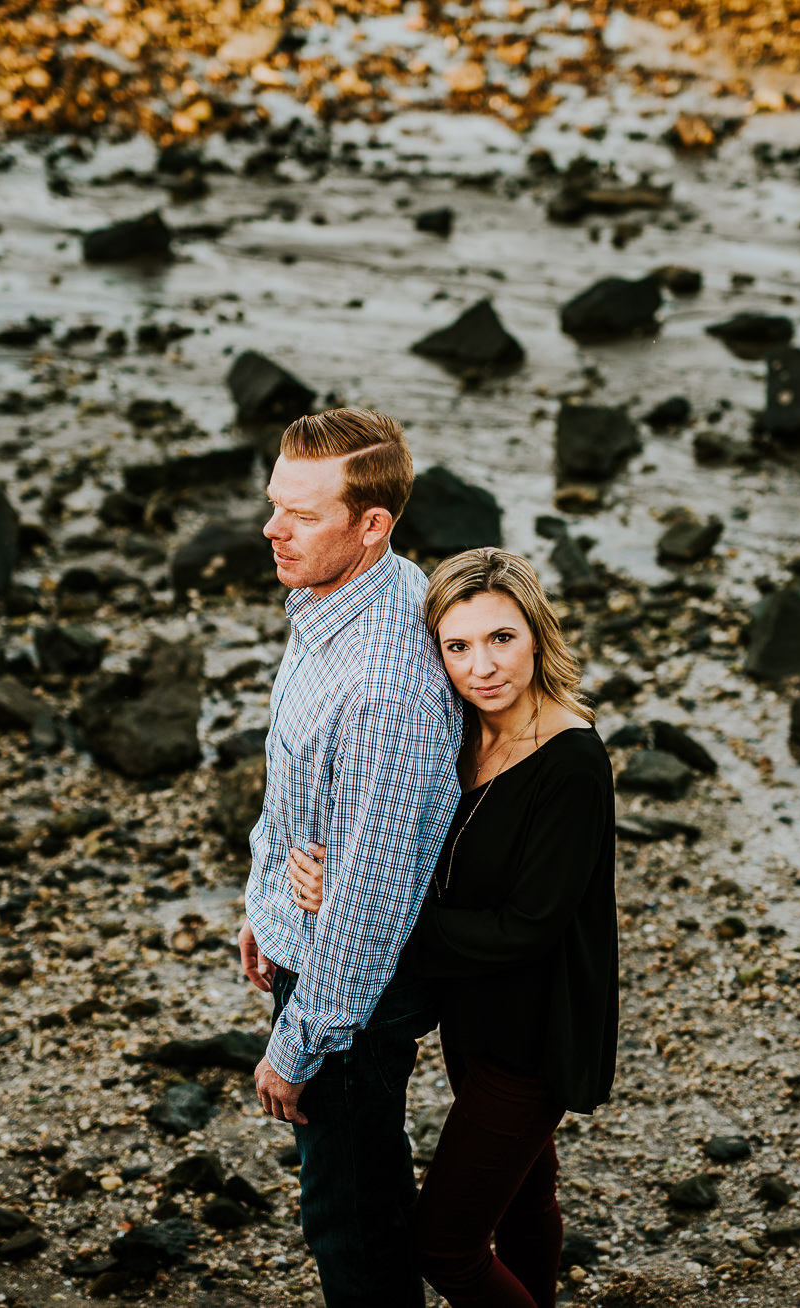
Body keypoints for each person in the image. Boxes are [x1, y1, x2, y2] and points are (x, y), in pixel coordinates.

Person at [287, 547, 619, 1308]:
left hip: (534, 1036)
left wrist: (366, 908)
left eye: (502, 638)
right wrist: (324, 867)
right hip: (473, 1020)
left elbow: (526, 928)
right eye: (458, 646)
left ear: (537, 633)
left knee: (445, 1245)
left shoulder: (571, 763)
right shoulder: (462, 733)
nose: (483, 667)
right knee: (526, 1198)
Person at [236, 408, 464, 1308]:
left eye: (302, 515)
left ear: (373, 525)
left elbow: (368, 904)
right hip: (312, 941)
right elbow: (295, 789)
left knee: (352, 1220)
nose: (271, 529)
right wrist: (267, 908)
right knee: (350, 1198)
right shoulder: (340, 597)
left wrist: (297, 1045)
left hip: (352, 999)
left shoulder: (382, 686)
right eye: (273, 504)